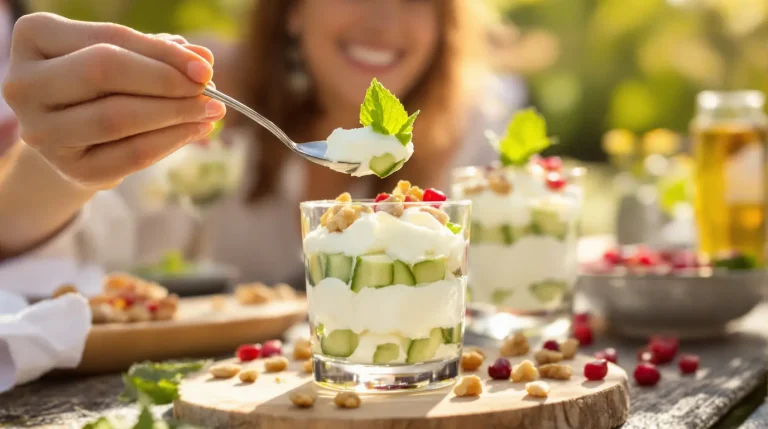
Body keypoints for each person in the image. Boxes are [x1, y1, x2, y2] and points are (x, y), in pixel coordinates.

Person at [0, 1, 525, 290]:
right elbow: (59, 248)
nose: (382, 21)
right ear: (293, 10)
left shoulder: (477, 128)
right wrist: (61, 156)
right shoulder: (209, 104)